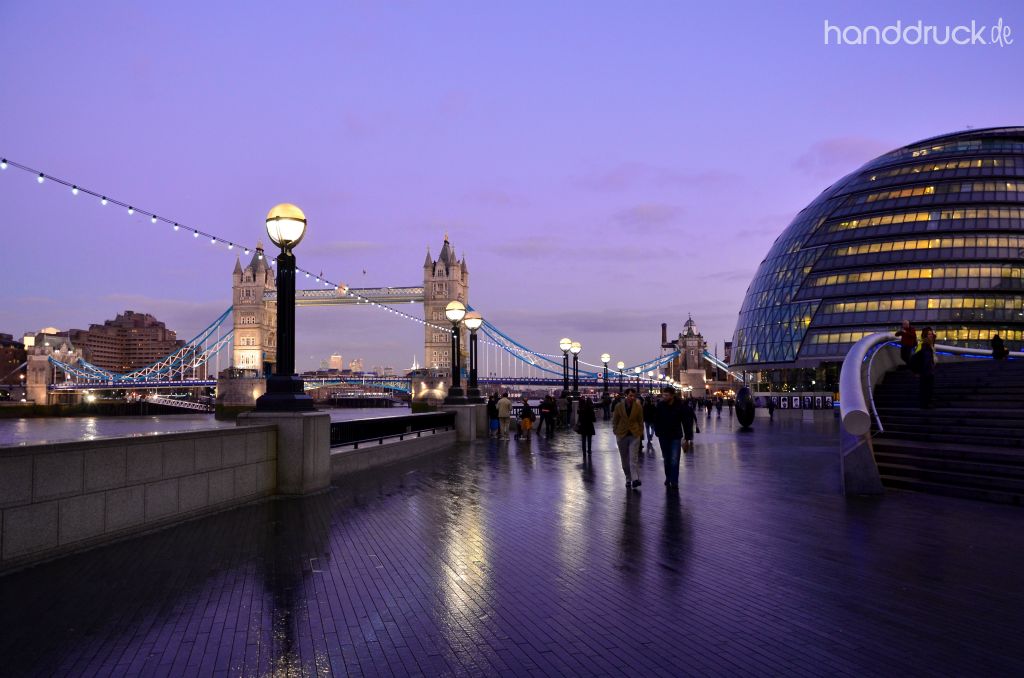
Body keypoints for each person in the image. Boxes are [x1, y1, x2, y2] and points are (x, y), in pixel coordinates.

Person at [612, 388, 645, 488]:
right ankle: (628, 478)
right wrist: (615, 430)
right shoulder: (619, 406)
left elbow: (640, 420)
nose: (632, 397)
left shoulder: (638, 406)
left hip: (634, 434)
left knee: (633, 458)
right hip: (622, 434)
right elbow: (615, 419)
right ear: (626, 395)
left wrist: (640, 432)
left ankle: (635, 479)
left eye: (633, 396)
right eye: (630, 395)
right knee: (624, 460)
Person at [654, 386, 684, 487]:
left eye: (666, 395)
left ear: (672, 396)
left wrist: (688, 436)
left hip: (675, 435)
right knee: (666, 458)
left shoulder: (679, 405)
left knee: (675, 459)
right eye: (663, 395)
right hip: (663, 435)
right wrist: (657, 432)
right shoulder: (660, 405)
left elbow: (685, 420)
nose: (664, 397)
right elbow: (656, 419)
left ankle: (674, 480)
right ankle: (668, 477)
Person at [917, 327, 937, 409]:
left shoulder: (930, 344)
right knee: (926, 389)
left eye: (931, 334)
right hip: (926, 371)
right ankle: (925, 405)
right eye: (929, 334)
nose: (931, 335)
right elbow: (925, 359)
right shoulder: (924, 345)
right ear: (925, 335)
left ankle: (926, 404)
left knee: (928, 388)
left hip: (929, 370)